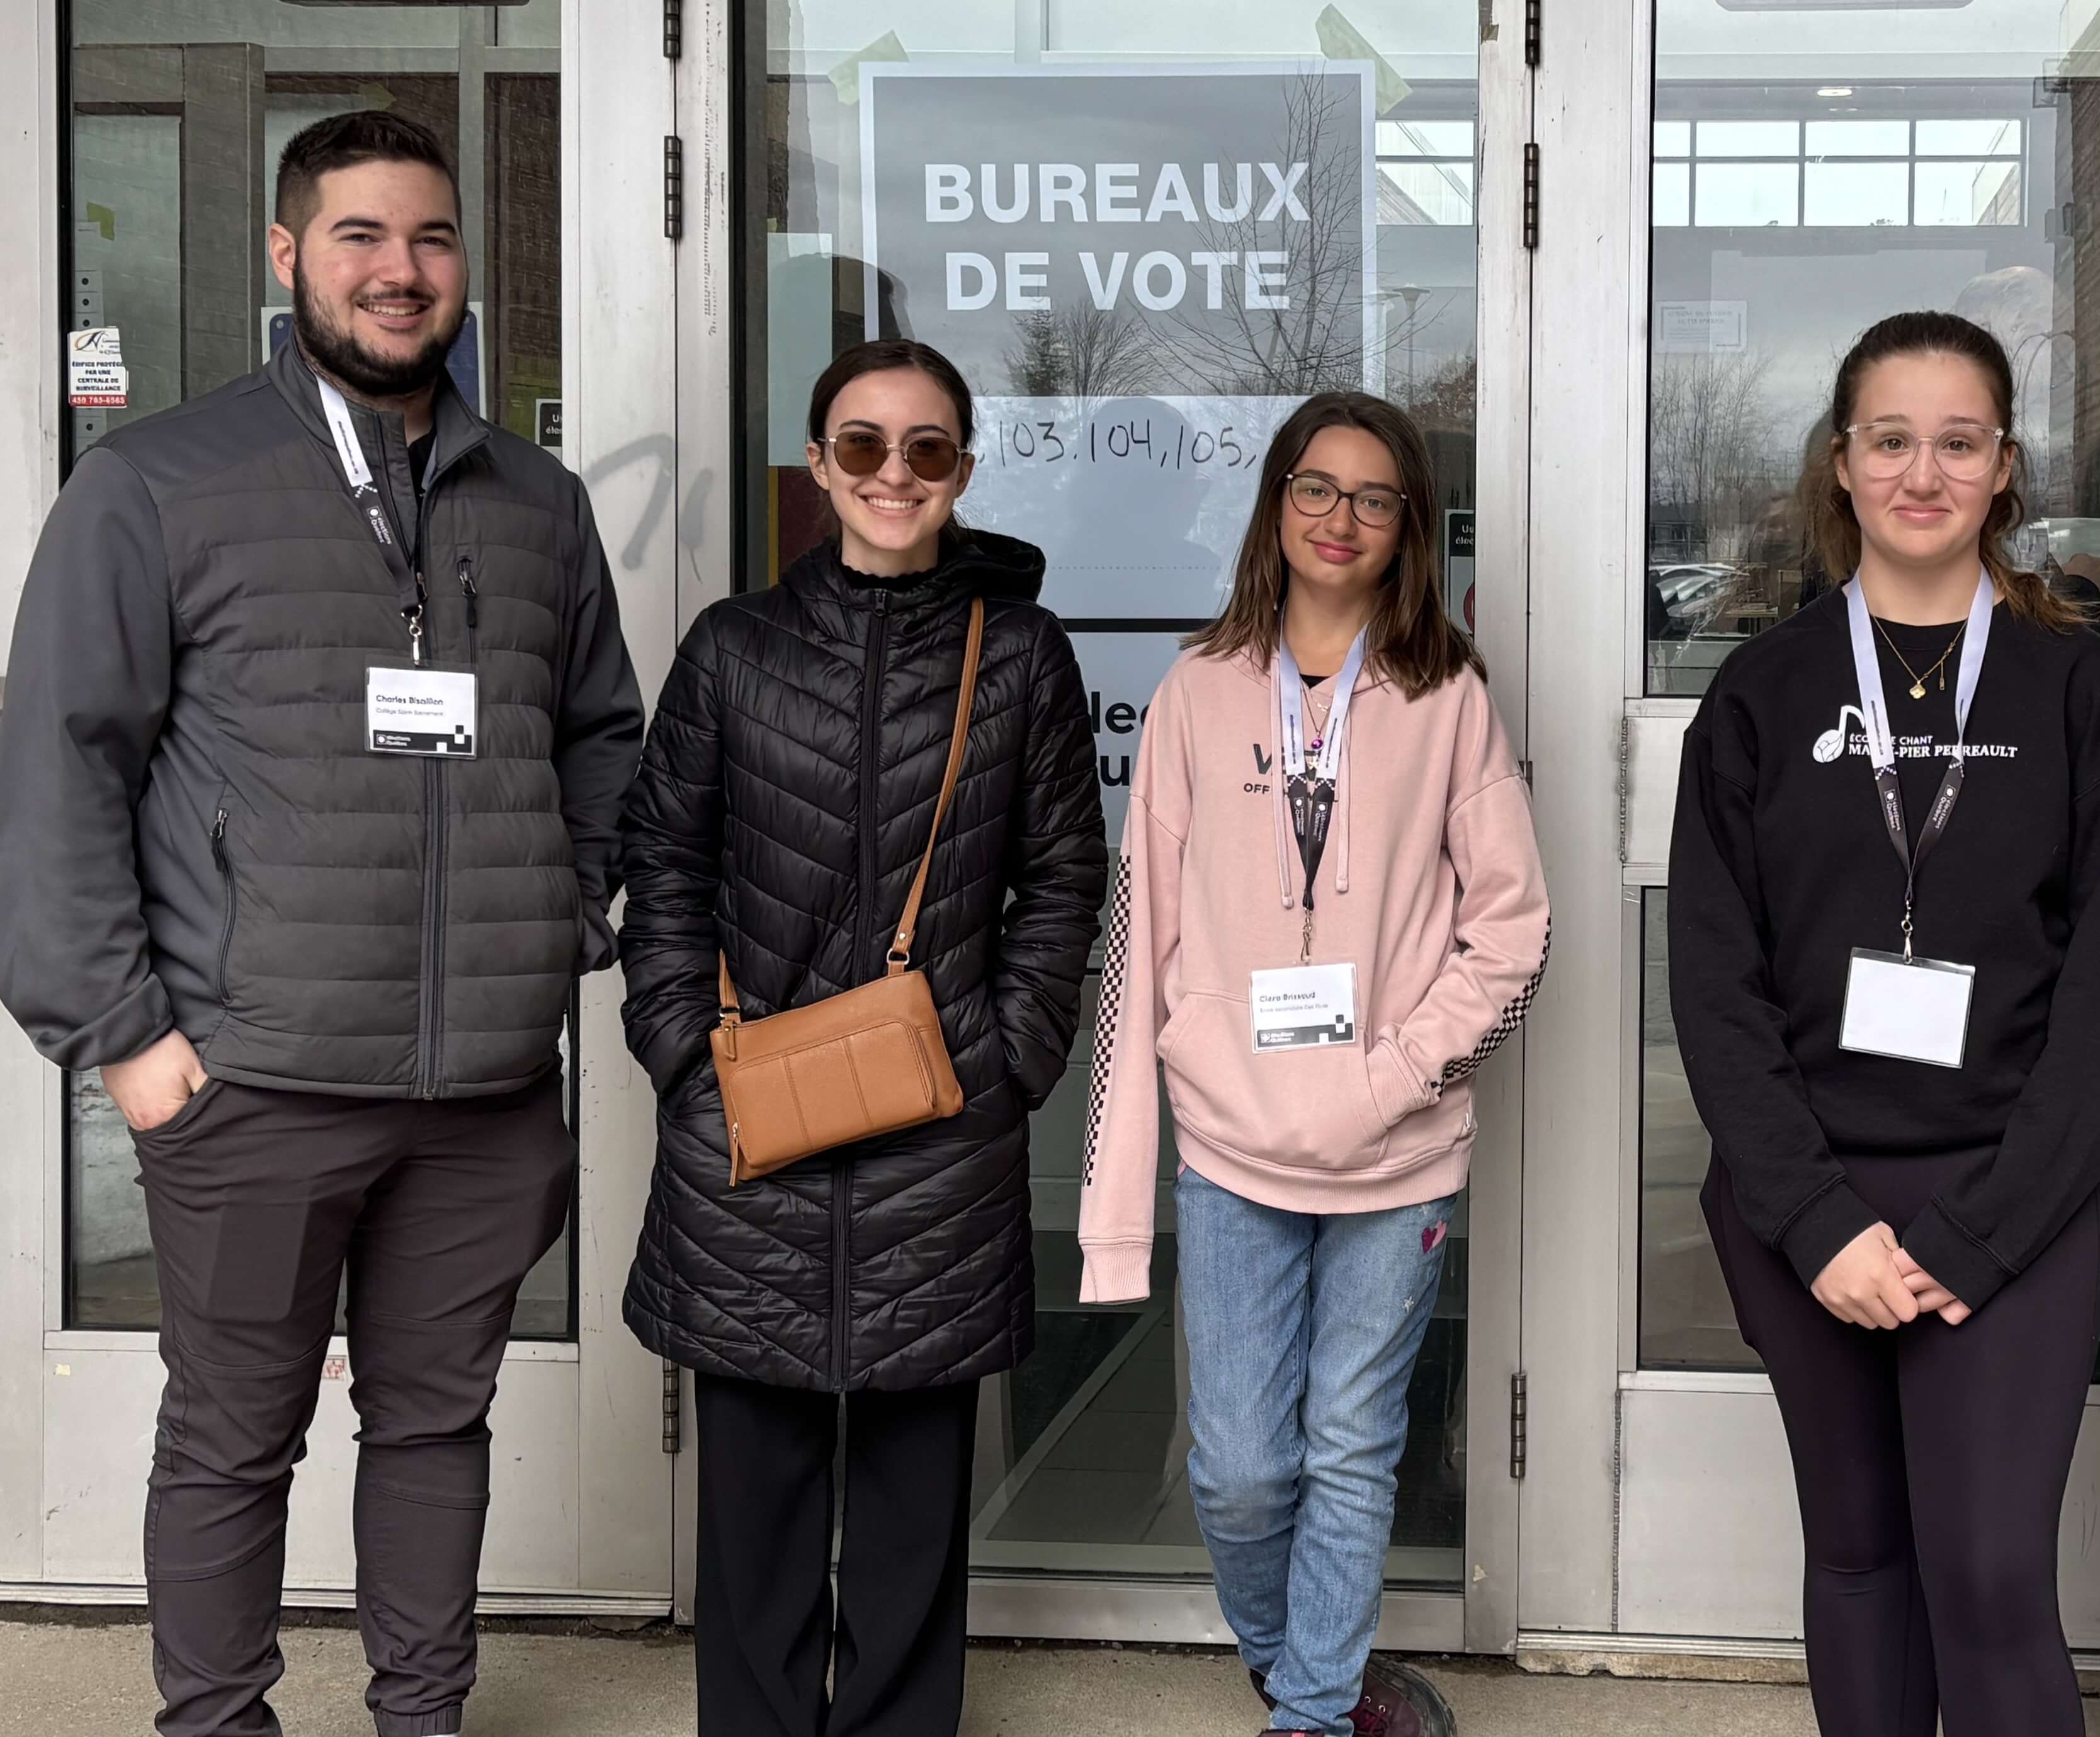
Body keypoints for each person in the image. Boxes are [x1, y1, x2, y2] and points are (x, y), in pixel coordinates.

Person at [0, 110, 644, 1737]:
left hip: (484, 1093)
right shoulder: (154, 484)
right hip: (254, 1076)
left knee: (437, 1428)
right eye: (358, 237)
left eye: (428, 238)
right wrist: (124, 1037)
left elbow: (599, 730)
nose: (398, 271)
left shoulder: (541, 503)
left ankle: (417, 1718)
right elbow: (56, 765)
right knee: (232, 1436)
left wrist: (552, 909)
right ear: (287, 259)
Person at [1666, 311, 2100, 1736]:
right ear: (1842, 463)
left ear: (2004, 468)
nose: (1922, 471)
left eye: (1959, 442)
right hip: (1803, 1206)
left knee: (1992, 1575)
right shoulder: (1760, 694)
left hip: (2008, 1203)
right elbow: (1714, 981)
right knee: (1861, 1557)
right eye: (1890, 440)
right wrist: (1814, 1218)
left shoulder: (2078, 693)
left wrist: (1982, 1230)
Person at [616, 338, 1104, 1737]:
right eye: (866, 445)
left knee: (908, 1525)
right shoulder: (734, 647)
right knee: (755, 1519)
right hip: (748, 1138)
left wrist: (1006, 1059)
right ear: (820, 464)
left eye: (928, 448)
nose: (896, 473)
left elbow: (1064, 875)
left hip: (938, 1137)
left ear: (962, 466)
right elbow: (667, 862)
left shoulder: (1017, 655)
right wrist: (677, 1045)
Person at [1077, 392, 1548, 1737]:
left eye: (1375, 495)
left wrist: (1393, 1073)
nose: (1341, 518)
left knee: (1349, 1446)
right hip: (1232, 1147)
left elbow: (1516, 927)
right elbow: (1140, 941)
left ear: (1409, 527)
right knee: (1235, 1469)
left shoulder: (1445, 694)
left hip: (1396, 1152)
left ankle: (1312, 1715)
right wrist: (1126, 1192)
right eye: (1315, 487)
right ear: (1276, 503)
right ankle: (1307, 1670)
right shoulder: (1196, 691)